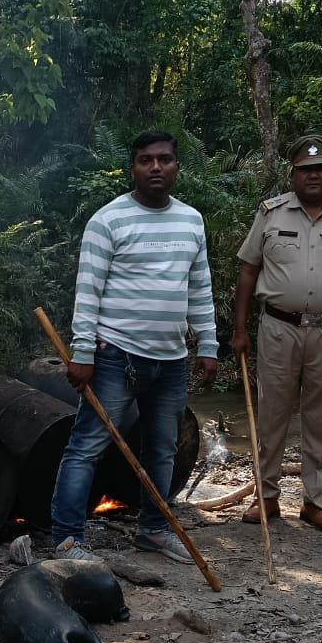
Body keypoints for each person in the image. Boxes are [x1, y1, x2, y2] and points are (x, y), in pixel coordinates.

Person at [50, 130, 220, 564]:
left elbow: (199, 285)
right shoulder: (108, 220)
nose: (156, 167)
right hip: (115, 355)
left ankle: (153, 531)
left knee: (162, 447)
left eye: (164, 159)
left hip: (171, 359)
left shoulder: (191, 220)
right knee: (87, 445)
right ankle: (67, 540)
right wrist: (83, 351)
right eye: (146, 160)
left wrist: (208, 342)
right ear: (134, 169)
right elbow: (87, 290)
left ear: (177, 167)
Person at [231, 135, 322, 533]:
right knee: (272, 414)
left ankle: (314, 502)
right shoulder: (272, 213)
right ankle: (267, 497)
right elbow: (248, 271)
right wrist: (240, 328)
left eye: (321, 168)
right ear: (293, 174)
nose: (313, 175)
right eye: (305, 170)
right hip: (278, 327)